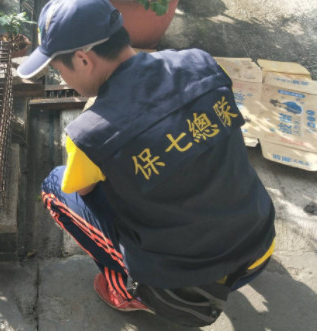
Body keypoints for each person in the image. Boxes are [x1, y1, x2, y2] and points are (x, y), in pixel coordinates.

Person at [17, 0, 275, 327]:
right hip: (258, 244)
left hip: (188, 291)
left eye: (58, 68)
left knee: (55, 187)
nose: (60, 77)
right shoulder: (201, 62)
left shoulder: (89, 134)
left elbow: (84, 191)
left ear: (83, 59)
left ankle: (132, 291)